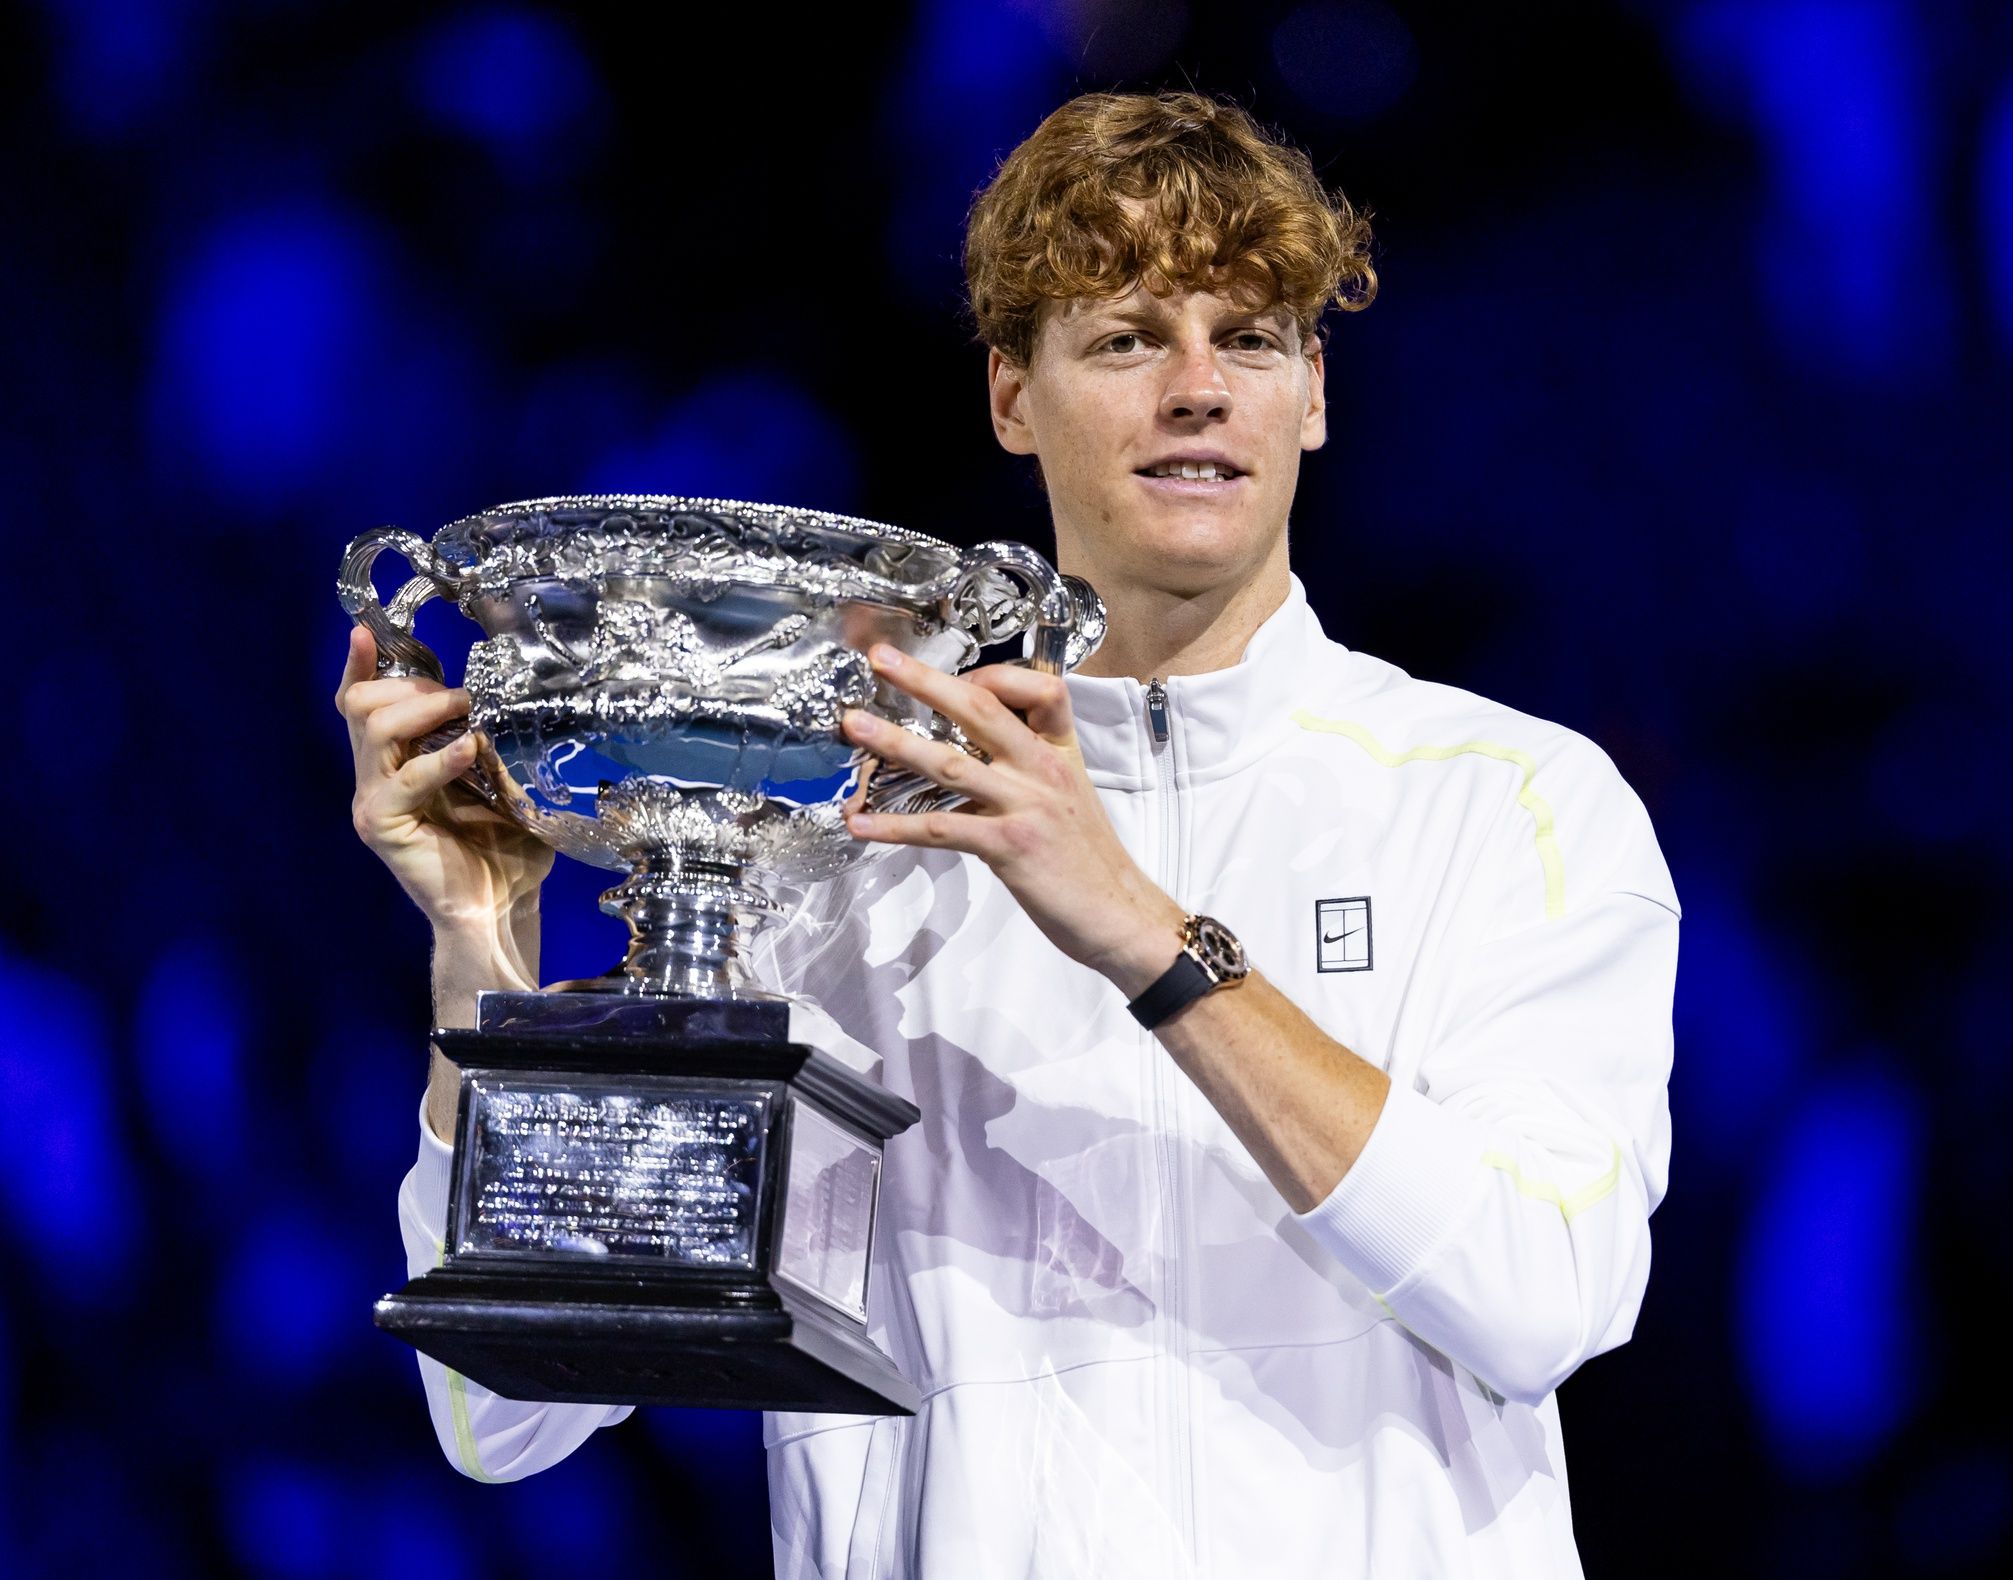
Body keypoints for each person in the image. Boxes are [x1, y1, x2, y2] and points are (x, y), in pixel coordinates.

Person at [334, 90, 1678, 1580]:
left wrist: (1151, 944)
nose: (1194, 389)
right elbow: (503, 1408)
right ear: (1010, 397)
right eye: (1123, 339)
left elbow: (1547, 1293)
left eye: (1247, 338)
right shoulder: (831, 842)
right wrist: (480, 953)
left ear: (1312, 391)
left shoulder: (1505, 800)